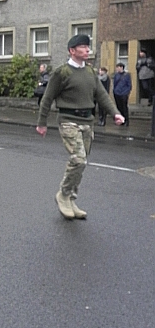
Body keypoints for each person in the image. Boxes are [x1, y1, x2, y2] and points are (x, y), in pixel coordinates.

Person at [36, 34, 123, 220]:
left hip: (87, 122)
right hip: (68, 120)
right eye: (82, 47)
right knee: (79, 160)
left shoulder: (91, 73)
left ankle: (70, 198)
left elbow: (102, 96)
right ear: (72, 51)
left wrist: (115, 113)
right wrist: (42, 122)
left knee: (81, 164)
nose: (87, 50)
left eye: (87, 47)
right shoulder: (62, 73)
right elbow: (47, 98)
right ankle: (63, 194)